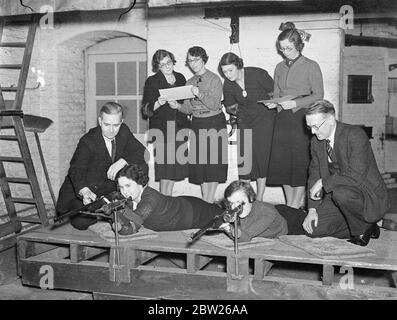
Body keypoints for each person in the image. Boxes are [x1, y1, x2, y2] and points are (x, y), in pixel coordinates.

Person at [303, 100, 389, 246]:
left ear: (330, 119)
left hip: (365, 193)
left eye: (316, 126)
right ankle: (368, 226)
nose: (312, 131)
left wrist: (324, 182)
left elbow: (355, 176)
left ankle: (361, 229)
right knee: (313, 231)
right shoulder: (316, 142)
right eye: (309, 126)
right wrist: (312, 209)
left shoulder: (355, 135)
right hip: (337, 196)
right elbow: (314, 175)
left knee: (341, 193)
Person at [56, 102, 148, 230]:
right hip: (82, 193)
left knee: (142, 165)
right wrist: (84, 190)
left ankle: (111, 210)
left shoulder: (124, 131)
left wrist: (123, 160)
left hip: (104, 191)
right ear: (100, 121)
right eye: (106, 124)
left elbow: (142, 152)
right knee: (82, 222)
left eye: (116, 125)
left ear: (121, 122)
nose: (111, 130)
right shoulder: (88, 141)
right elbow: (76, 170)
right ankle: (103, 213)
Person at [265, 22, 324, 209]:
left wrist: (296, 103)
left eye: (288, 48)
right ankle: (290, 204)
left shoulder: (311, 66)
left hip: (302, 119)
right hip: (283, 119)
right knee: (283, 164)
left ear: (298, 45)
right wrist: (272, 102)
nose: (284, 52)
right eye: (281, 48)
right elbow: (276, 92)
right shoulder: (279, 67)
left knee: (298, 164)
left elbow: (318, 95)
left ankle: (295, 205)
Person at [172, 46, 228, 203]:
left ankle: (208, 202)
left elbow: (214, 104)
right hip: (197, 124)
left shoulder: (214, 79)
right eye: (190, 60)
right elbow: (188, 108)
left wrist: (199, 93)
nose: (193, 63)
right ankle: (206, 201)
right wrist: (177, 106)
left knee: (213, 166)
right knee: (201, 167)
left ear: (203, 59)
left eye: (196, 59)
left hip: (214, 123)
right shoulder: (189, 82)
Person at [220, 52, 275, 201]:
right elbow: (230, 106)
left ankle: (260, 198)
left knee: (261, 157)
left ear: (238, 65)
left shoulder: (258, 74)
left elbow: (274, 92)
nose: (228, 75)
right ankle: (246, 197)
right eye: (224, 72)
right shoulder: (228, 84)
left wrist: (273, 101)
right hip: (245, 121)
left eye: (230, 70)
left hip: (265, 119)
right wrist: (239, 113)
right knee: (244, 160)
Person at [113, 164, 224, 235]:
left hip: (194, 212)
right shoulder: (131, 198)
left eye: (128, 186)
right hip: (180, 205)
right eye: (121, 187)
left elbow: (129, 229)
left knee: (223, 215)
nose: (124, 191)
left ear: (139, 183)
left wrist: (115, 219)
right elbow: (126, 216)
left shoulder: (149, 200)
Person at [142, 49, 189, 196]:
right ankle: (164, 201)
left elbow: (186, 105)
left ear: (173, 61)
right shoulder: (152, 81)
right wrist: (158, 103)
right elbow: (146, 110)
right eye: (162, 65)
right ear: (158, 66)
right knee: (164, 170)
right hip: (162, 130)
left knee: (174, 170)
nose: (167, 66)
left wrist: (178, 106)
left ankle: (168, 200)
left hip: (179, 128)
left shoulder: (181, 78)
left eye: (168, 62)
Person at [219, 180, 307, 243]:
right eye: (231, 202)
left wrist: (227, 228)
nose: (234, 207)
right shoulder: (239, 208)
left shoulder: (267, 213)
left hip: (293, 222)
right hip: (276, 210)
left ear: (251, 198)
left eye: (239, 202)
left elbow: (244, 237)